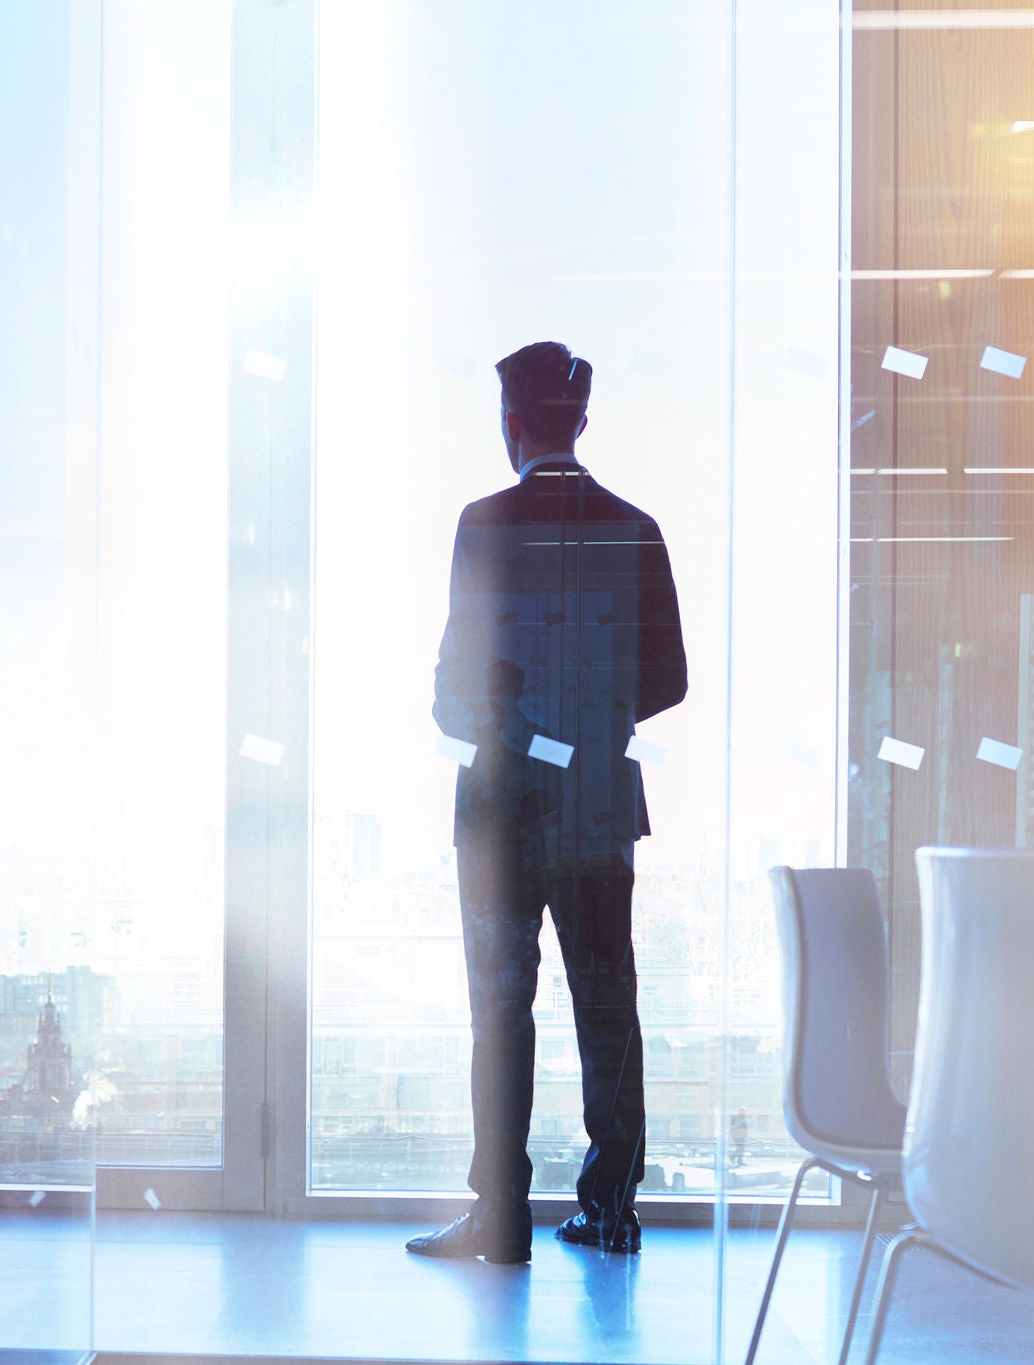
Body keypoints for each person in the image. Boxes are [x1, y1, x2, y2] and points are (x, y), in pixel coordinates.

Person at [407, 342, 686, 1264]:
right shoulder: (636, 527)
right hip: (600, 805)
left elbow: (454, 693)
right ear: (581, 422)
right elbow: (670, 678)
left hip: (498, 809)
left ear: (512, 425)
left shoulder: (482, 526)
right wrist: (589, 722)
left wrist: (509, 718)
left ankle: (501, 1219)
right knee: (608, 1007)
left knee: (501, 1010)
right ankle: (611, 1208)